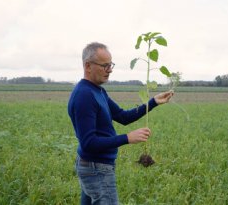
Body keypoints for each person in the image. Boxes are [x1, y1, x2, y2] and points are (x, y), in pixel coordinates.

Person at [68, 42, 174, 205]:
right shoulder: (84, 95)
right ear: (88, 66)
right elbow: (89, 143)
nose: (109, 70)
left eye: (110, 65)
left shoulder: (98, 91)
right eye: (104, 66)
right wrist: (127, 138)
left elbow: (122, 116)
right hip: (96, 168)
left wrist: (153, 102)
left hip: (94, 166)